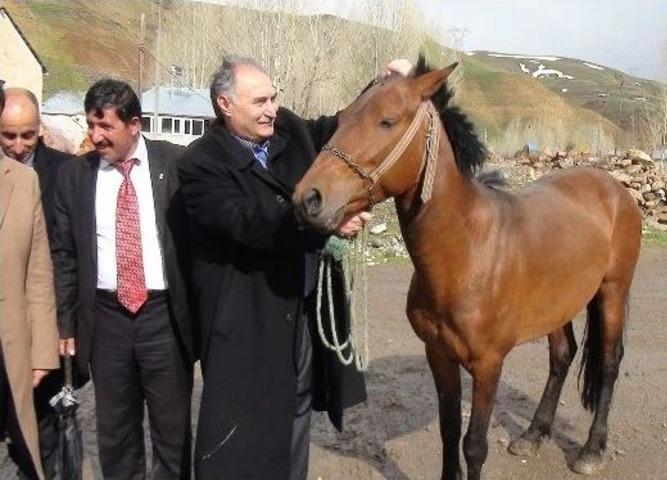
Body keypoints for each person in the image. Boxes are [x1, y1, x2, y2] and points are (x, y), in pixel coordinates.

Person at [178, 56, 401, 479]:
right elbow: (250, 223)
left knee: (295, 422)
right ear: (226, 105)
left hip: (299, 316)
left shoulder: (289, 130)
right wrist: (326, 222)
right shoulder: (201, 165)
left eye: (275, 97)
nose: (271, 108)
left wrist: (380, 86)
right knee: (240, 434)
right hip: (244, 329)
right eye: (260, 101)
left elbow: (337, 126)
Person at [51, 79, 195, 480]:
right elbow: (63, 255)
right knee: (115, 431)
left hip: (163, 319)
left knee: (172, 429)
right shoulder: (74, 177)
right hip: (106, 319)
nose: (95, 136)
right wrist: (65, 322)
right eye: (90, 125)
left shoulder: (177, 165)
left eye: (105, 127)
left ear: (135, 124)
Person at [0, 87, 74, 480]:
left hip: (33, 326)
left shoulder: (60, 172)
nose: (17, 145)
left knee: (40, 433)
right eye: (7, 136)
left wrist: (52, 339)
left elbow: (47, 268)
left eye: (26, 135)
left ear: (39, 130)